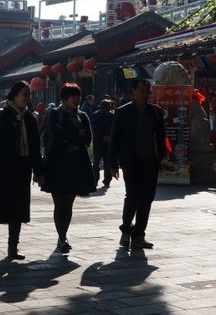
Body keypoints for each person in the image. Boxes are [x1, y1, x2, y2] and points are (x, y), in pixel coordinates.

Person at [0, 81, 44, 260]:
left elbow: (35, 146)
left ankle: (12, 247)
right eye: (24, 94)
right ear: (13, 95)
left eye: (28, 94)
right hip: (1, 168)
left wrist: (39, 171)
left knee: (18, 208)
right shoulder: (0, 116)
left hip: (22, 169)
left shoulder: (30, 118)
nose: (26, 97)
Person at [109, 79, 166, 250]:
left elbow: (161, 136)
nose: (145, 93)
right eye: (142, 90)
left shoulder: (155, 112)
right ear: (133, 91)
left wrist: (161, 156)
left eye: (147, 90)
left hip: (150, 162)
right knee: (132, 196)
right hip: (131, 162)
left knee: (147, 199)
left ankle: (139, 235)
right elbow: (115, 140)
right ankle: (126, 231)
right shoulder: (123, 112)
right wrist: (113, 164)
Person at [41, 83, 95, 254]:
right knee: (59, 202)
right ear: (64, 98)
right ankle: (61, 237)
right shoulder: (54, 114)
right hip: (57, 162)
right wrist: (74, 136)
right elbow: (57, 134)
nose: (76, 99)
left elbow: (87, 137)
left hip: (76, 163)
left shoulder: (83, 115)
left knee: (69, 202)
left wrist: (71, 137)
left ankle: (63, 237)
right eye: (72, 96)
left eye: (77, 95)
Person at [90, 99, 115, 188]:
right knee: (107, 162)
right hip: (108, 142)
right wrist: (109, 136)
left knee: (96, 162)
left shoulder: (95, 115)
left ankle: (95, 179)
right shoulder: (112, 115)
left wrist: (100, 136)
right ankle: (107, 180)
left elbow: (93, 129)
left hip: (98, 142)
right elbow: (114, 129)